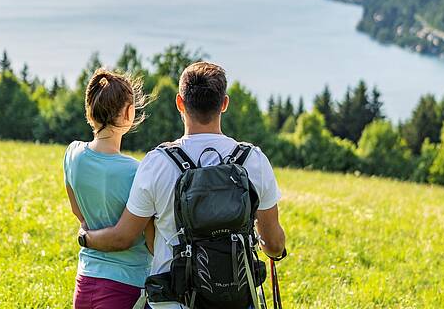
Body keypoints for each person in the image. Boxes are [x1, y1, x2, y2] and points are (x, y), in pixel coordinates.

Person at [80, 62, 286, 308]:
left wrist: (85, 238)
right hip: (236, 300)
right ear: (224, 103)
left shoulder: (157, 163)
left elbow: (123, 236)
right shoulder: (253, 160)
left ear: (180, 102)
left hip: (172, 301)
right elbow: (274, 245)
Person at [64, 68, 154, 309]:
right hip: (126, 287)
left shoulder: (73, 154)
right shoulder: (137, 172)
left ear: (90, 109)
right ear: (128, 112)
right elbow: (150, 241)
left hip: (85, 280)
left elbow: (79, 213)